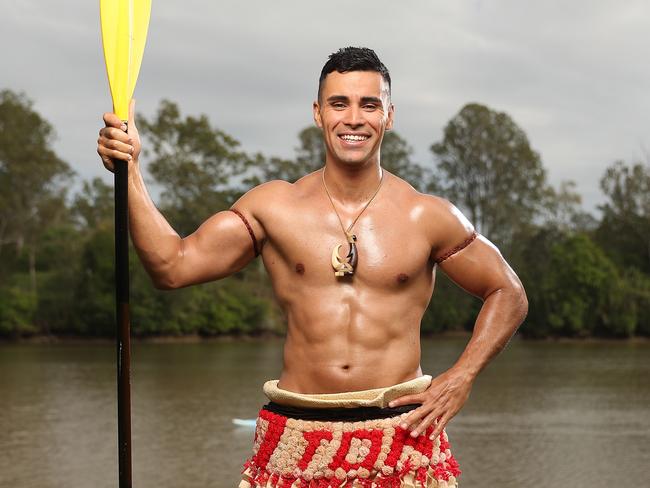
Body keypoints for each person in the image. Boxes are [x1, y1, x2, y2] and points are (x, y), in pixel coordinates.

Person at [97, 47, 528, 488]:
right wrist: (130, 172)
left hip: (401, 434)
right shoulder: (275, 207)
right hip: (296, 438)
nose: (354, 118)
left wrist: (461, 376)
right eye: (339, 103)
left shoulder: (427, 215)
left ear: (389, 116)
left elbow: (508, 292)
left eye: (369, 104)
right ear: (318, 113)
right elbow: (172, 266)